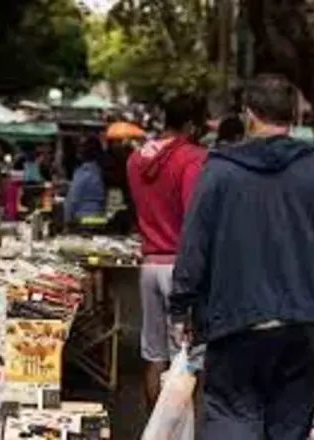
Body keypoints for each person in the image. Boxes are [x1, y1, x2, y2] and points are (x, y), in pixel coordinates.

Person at [170, 74, 314, 440]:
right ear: (294, 117)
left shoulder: (220, 172)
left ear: (249, 115)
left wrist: (180, 308)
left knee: (232, 418)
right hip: (306, 325)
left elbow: (194, 246)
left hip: (235, 321)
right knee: (290, 427)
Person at [126, 95, 206, 409]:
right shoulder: (192, 158)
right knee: (186, 360)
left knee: (154, 355)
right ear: (191, 125)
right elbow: (194, 217)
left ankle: (154, 427)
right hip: (181, 268)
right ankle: (179, 430)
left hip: (149, 264)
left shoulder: (137, 158)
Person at [64, 136, 106, 223]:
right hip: (99, 216)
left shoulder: (82, 172)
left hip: (82, 218)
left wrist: (67, 219)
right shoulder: (100, 171)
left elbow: (73, 198)